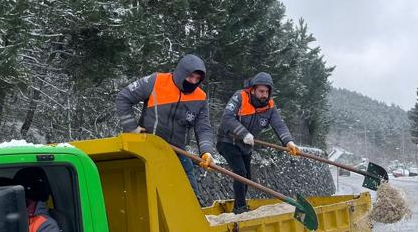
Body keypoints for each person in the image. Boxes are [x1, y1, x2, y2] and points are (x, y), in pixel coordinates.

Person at [116, 54, 217, 197]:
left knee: (190, 193)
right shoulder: (156, 81)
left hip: (177, 150)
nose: (193, 81)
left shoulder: (200, 97)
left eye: (197, 79)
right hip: (148, 145)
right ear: (181, 73)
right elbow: (123, 97)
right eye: (190, 76)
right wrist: (131, 128)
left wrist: (206, 151)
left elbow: (203, 127)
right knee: (147, 191)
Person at [218, 72, 301, 214]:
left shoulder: (269, 106)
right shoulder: (240, 97)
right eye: (261, 91)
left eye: (267, 92)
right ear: (253, 89)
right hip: (228, 141)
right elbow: (227, 118)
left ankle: (239, 205)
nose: (264, 95)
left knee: (247, 177)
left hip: (246, 146)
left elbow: (279, 124)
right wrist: (243, 133)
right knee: (240, 172)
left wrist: (289, 142)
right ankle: (240, 208)